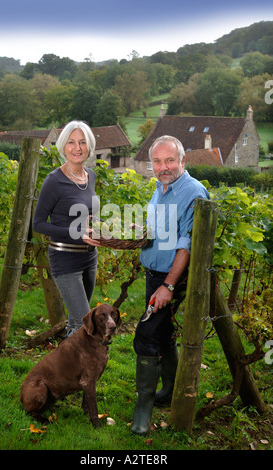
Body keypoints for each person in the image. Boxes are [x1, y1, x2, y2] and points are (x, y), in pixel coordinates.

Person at [131, 135, 210, 435]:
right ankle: (171, 392)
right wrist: (144, 230)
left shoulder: (193, 192)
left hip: (171, 279)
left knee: (147, 335)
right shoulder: (160, 186)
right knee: (163, 336)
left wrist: (168, 286)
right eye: (157, 161)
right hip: (154, 275)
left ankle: (143, 410)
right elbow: (164, 228)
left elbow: (186, 244)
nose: (163, 167)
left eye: (169, 160)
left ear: (182, 160)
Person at [33, 121, 100, 338]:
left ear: (89, 146)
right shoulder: (54, 181)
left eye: (82, 142)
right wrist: (76, 233)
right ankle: (72, 370)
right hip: (65, 259)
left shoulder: (91, 176)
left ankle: (65, 371)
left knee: (77, 323)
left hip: (90, 258)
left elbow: (89, 216)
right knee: (84, 326)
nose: (77, 148)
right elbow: (38, 224)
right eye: (71, 142)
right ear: (63, 147)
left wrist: (112, 226)